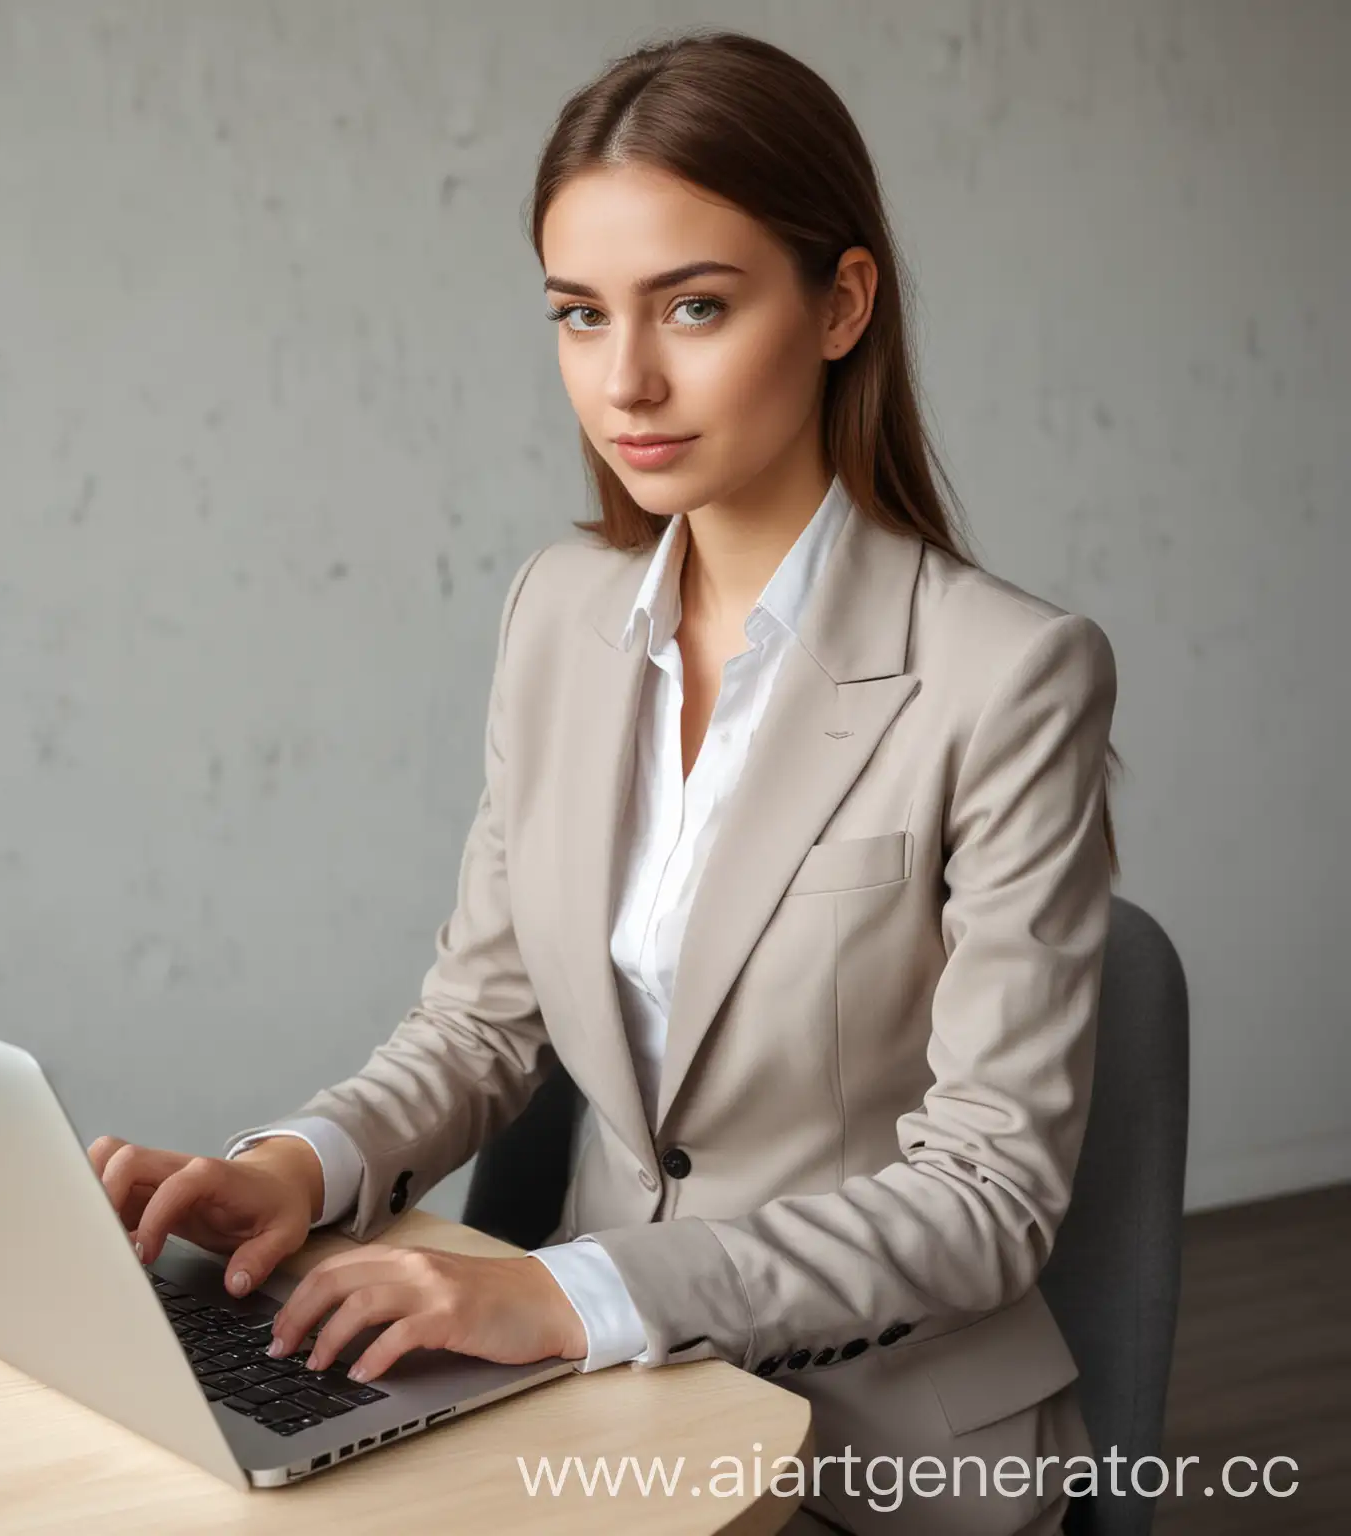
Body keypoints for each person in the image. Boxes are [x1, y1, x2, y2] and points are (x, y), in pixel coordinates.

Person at [90, 29, 1122, 1535]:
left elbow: (987, 1201)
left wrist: (569, 1297)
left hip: (878, 1457)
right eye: (580, 315)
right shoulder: (560, 614)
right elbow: (486, 1020)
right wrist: (305, 1169)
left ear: (841, 304)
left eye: (695, 307)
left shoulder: (1007, 675)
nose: (625, 379)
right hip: (588, 1408)